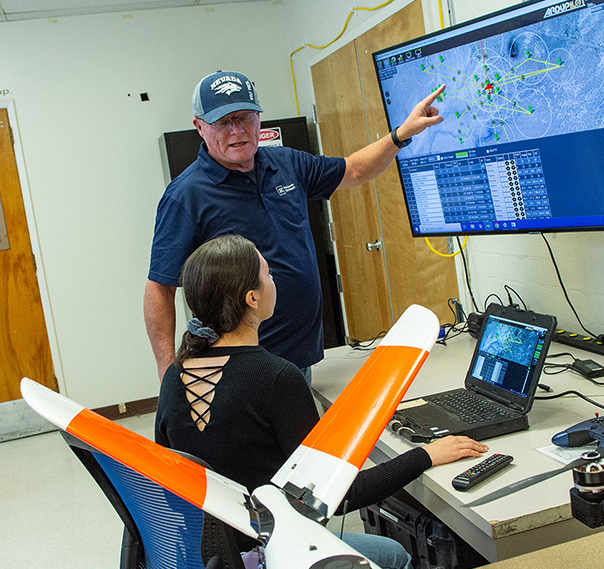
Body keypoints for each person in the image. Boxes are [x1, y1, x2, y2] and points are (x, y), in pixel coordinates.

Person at [154, 234, 486, 569]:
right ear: (252, 299)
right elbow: (336, 496)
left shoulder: (174, 377)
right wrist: (424, 455)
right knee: (394, 556)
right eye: (268, 273)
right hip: (265, 567)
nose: (273, 279)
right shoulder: (278, 379)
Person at [145, 71, 446, 381]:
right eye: (223, 122)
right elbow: (159, 287)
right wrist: (168, 373)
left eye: (245, 117)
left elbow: (354, 170)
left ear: (259, 117)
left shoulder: (286, 164)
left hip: (299, 358)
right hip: (241, 370)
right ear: (200, 127)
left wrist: (401, 134)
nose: (237, 131)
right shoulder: (186, 195)